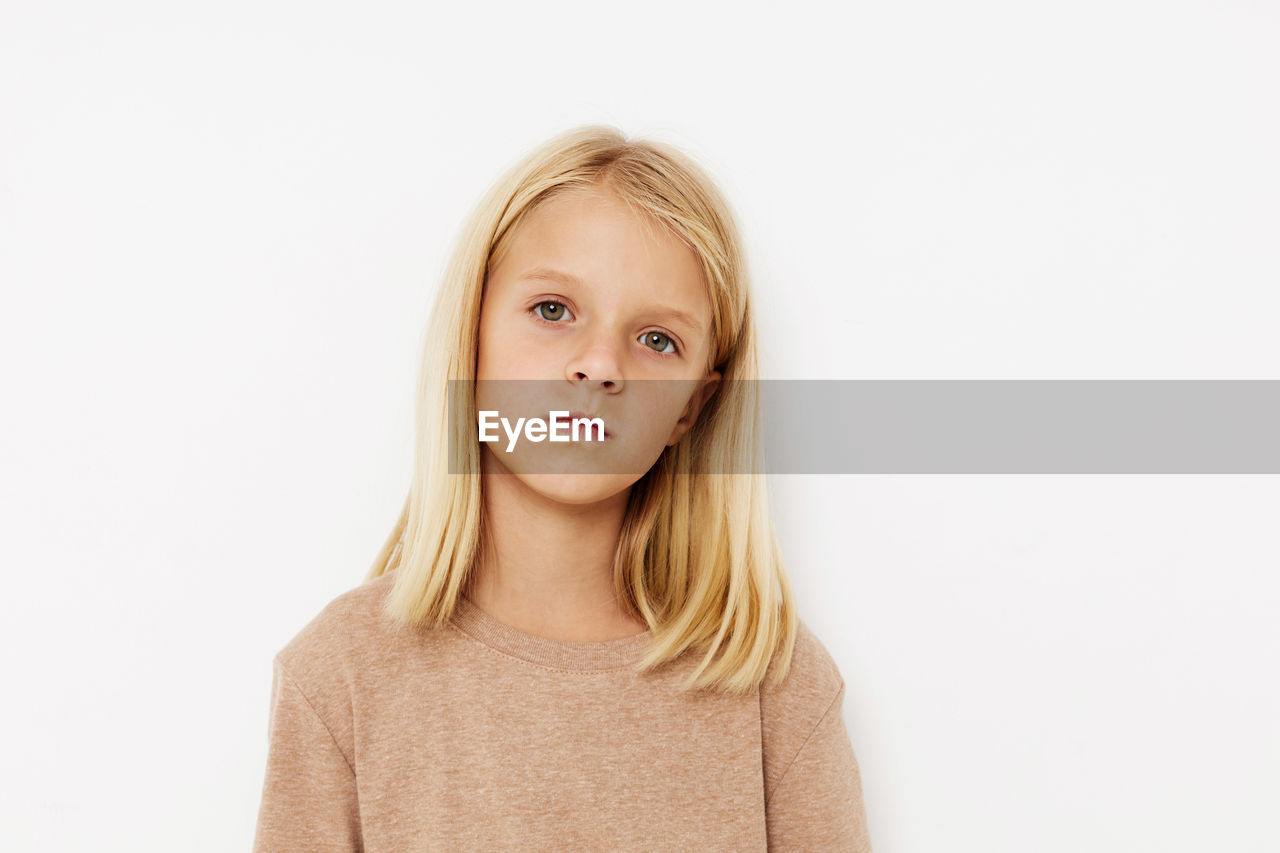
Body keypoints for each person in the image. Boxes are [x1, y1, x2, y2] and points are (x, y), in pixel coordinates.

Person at [251, 124, 873, 852]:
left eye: (656, 339)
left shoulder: (776, 685)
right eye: (553, 310)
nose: (599, 364)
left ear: (693, 409)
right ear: (471, 334)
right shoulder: (342, 673)